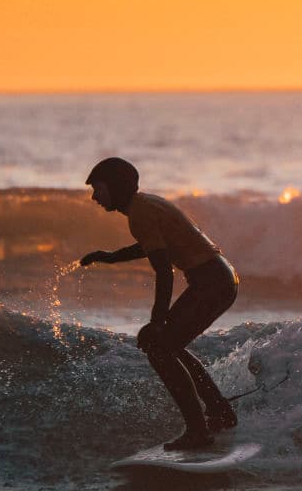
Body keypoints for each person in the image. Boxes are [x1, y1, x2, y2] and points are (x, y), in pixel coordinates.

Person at [79, 157, 239, 450]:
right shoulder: (144, 206)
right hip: (218, 278)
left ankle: (198, 431)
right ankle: (219, 411)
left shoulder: (139, 214)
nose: (94, 197)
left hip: (212, 282)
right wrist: (111, 256)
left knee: (158, 346)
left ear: (116, 187)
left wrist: (157, 320)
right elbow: (154, 245)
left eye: (98, 189)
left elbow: (164, 271)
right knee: (169, 346)